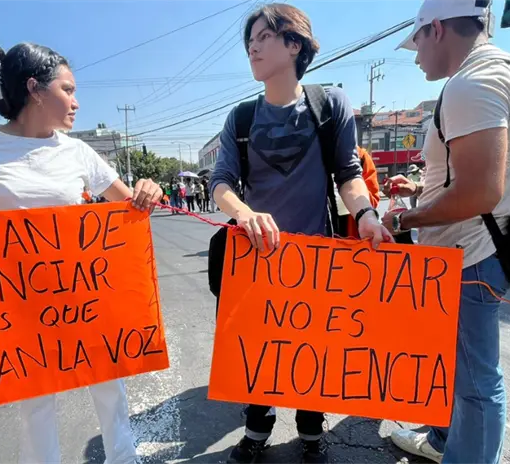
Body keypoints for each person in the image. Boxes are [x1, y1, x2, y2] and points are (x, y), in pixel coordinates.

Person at [0, 41, 162, 464]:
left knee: (109, 383)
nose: (76, 102)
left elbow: (128, 205)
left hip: (82, 296)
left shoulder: (77, 150)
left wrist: (149, 190)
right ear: (35, 90)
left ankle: (124, 458)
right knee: (37, 403)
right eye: (68, 89)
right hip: (17, 305)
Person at [209, 5, 392, 464]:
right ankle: (257, 428)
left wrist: (366, 214)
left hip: (317, 261)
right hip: (255, 260)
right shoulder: (241, 118)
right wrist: (244, 213)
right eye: (249, 39)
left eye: (263, 36)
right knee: (259, 352)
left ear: (294, 44)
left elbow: (349, 174)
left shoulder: (329, 105)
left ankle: (311, 432)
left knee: (313, 351)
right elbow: (221, 183)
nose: (252, 46)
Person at [383, 1, 510, 463]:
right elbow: (482, 174)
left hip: (469, 257)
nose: (415, 57)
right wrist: (422, 188)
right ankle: (443, 441)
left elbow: (479, 193)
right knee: (456, 372)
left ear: (436, 30)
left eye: (417, 44)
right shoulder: (508, 71)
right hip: (475, 250)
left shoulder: (472, 82)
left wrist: (403, 219)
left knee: (475, 385)